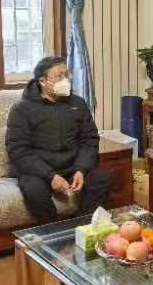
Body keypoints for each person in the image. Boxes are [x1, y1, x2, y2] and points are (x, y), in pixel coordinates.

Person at [6, 56, 111, 223]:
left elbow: (90, 140)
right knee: (34, 191)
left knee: (102, 178)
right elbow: (18, 150)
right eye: (59, 76)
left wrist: (81, 169)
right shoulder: (22, 109)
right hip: (39, 170)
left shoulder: (78, 103)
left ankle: (82, 227)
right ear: (42, 81)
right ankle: (53, 231)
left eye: (66, 75)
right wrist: (50, 176)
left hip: (72, 166)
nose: (65, 80)